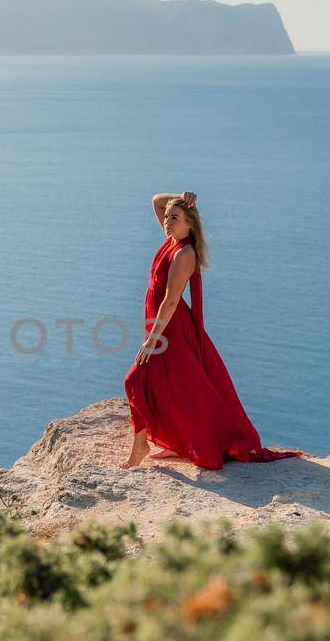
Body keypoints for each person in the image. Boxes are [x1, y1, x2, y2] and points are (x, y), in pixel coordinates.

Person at [122, 191, 302, 469]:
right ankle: (179, 443)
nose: (167, 221)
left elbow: (170, 300)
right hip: (159, 325)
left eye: (175, 218)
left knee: (136, 380)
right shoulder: (171, 240)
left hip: (169, 329)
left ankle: (140, 448)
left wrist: (153, 339)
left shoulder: (183, 253)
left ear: (189, 224)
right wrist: (181, 197)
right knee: (167, 387)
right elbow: (157, 200)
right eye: (168, 217)